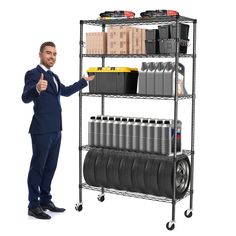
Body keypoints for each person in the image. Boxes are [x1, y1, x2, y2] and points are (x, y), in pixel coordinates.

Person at [22, 41, 95, 220]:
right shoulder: (33, 74)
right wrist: (37, 89)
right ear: (40, 54)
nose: (52, 57)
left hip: (56, 129)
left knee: (50, 167)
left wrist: (84, 81)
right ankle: (33, 205)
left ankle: (45, 200)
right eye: (48, 53)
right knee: (37, 168)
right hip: (41, 130)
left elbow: (67, 91)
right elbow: (24, 97)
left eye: (55, 54)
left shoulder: (54, 76)